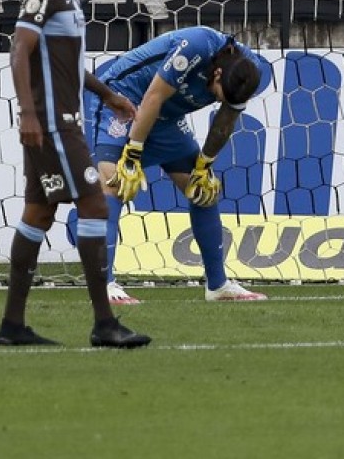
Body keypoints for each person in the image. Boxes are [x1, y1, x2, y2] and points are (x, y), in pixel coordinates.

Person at [0, 0, 151, 348]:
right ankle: (104, 323)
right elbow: (19, 49)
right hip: (53, 123)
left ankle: (12, 326)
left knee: (38, 213)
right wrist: (28, 112)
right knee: (96, 204)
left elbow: (65, 64)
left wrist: (108, 94)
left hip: (60, 120)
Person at [85, 26, 270, 305]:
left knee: (202, 189)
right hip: (124, 99)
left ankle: (218, 286)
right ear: (217, 73)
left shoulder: (248, 72)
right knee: (114, 183)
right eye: (218, 95)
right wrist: (132, 155)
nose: (219, 100)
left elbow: (225, 120)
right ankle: (103, 286)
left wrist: (205, 164)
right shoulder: (196, 45)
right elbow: (153, 97)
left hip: (166, 118)